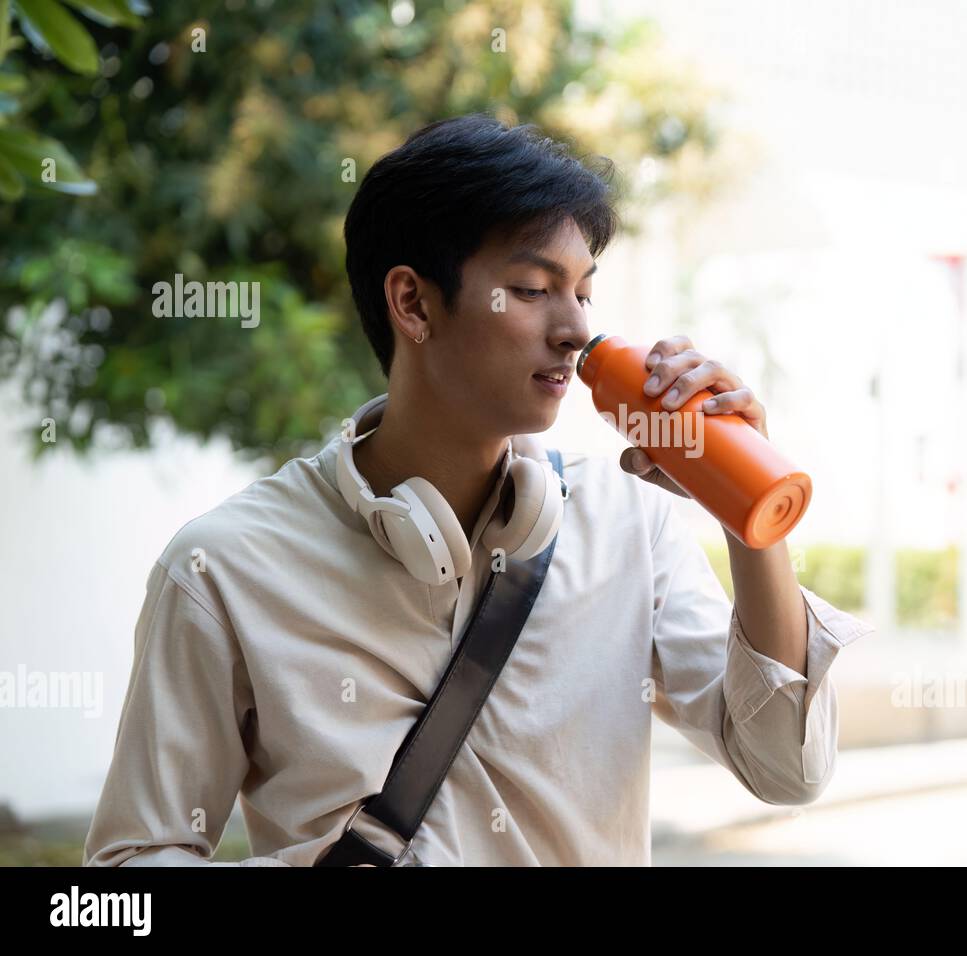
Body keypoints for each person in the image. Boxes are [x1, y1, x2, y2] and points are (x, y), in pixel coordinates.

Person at [83, 113, 871, 867]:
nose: (576, 331)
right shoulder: (223, 570)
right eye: (532, 289)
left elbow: (787, 772)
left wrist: (745, 513)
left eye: (584, 292)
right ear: (413, 303)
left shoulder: (630, 525)